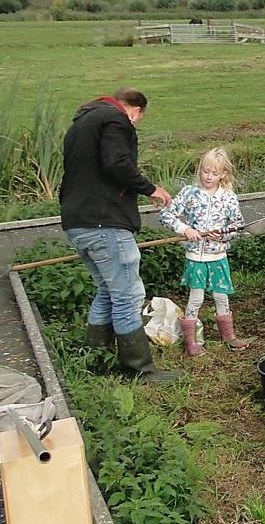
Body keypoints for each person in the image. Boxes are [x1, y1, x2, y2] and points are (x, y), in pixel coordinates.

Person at [60, 87, 176, 382]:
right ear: (134, 109)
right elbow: (117, 163)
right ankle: (139, 369)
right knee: (128, 294)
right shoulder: (115, 120)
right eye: (138, 119)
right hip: (103, 222)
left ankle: (97, 360)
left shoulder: (80, 125)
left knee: (108, 290)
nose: (134, 125)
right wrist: (151, 189)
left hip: (76, 221)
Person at [159, 147, 251, 356]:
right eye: (205, 171)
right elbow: (166, 215)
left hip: (218, 256)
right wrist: (186, 229)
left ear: (223, 175)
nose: (208, 177)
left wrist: (224, 235)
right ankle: (191, 342)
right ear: (200, 170)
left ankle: (229, 336)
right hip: (196, 257)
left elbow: (237, 225)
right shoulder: (189, 194)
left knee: (221, 296)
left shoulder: (228, 197)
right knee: (196, 297)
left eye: (214, 173)